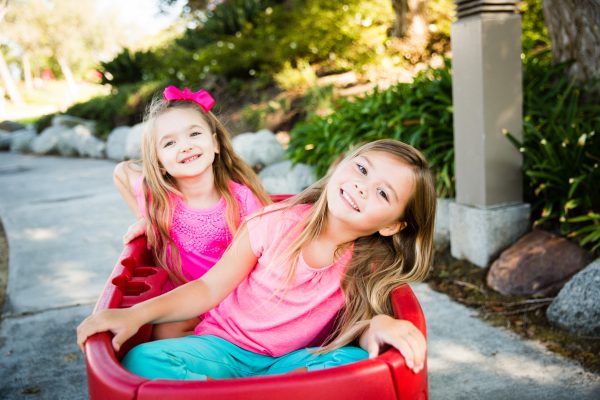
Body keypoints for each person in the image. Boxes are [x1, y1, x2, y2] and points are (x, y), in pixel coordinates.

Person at [77, 139, 436, 379]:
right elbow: (207, 288)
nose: (362, 186)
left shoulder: (369, 264)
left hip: (289, 363)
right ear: (343, 164)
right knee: (142, 361)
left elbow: (360, 324)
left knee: (359, 363)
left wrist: (378, 326)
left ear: (392, 226)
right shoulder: (273, 223)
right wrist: (134, 313)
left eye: (383, 193)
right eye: (361, 169)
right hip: (222, 349)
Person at [113, 86, 270, 339]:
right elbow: (121, 172)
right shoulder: (158, 199)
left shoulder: (242, 200)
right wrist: (144, 218)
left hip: (237, 300)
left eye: (194, 134)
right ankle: (201, 375)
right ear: (159, 163)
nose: (185, 146)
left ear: (216, 143)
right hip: (187, 301)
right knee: (163, 331)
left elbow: (271, 253)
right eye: (170, 143)